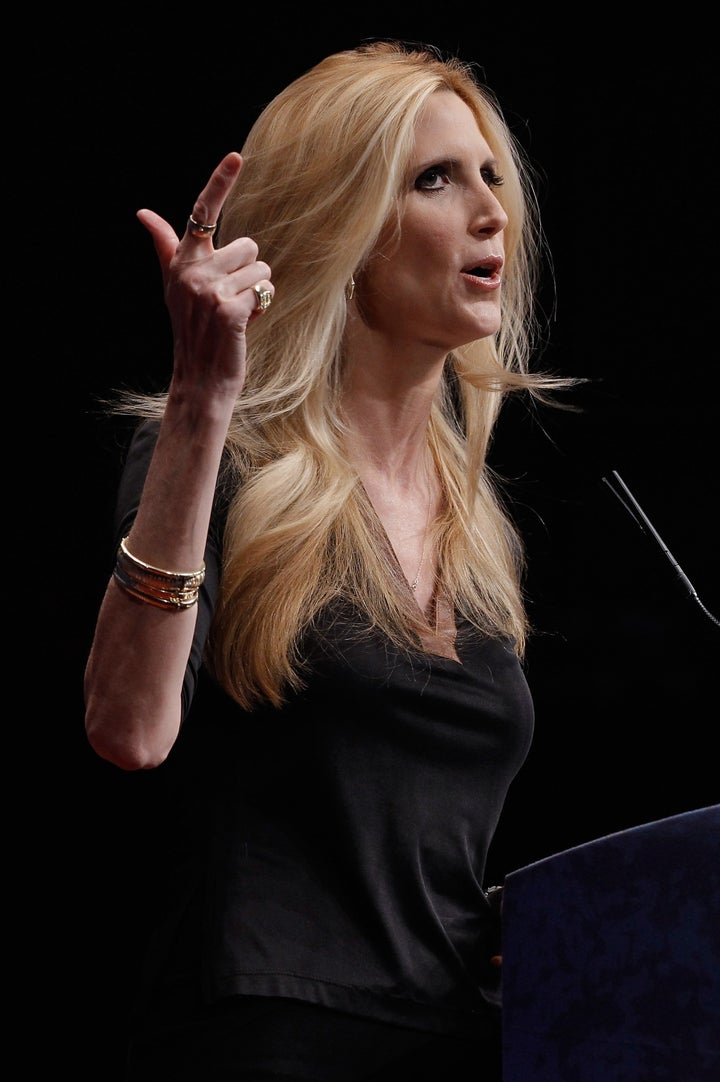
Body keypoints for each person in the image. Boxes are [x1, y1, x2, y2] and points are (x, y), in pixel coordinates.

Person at [84, 39, 572, 1081]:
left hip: (461, 1041)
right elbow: (127, 726)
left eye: (491, 175)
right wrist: (201, 403)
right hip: (269, 1030)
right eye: (435, 178)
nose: (492, 210)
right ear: (345, 223)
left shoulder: (477, 520)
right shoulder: (221, 450)